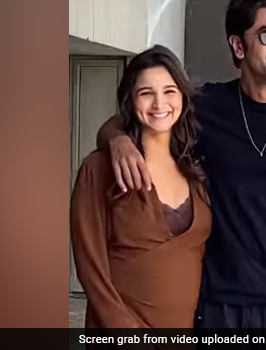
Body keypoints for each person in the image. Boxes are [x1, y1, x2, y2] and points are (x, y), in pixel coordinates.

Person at [96, 0, 266, 329]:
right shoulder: (203, 107)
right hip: (218, 307)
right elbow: (120, 123)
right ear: (237, 45)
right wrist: (119, 142)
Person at [70, 44, 211, 329]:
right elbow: (91, 268)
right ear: (130, 100)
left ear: (182, 96)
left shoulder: (195, 170)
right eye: (146, 93)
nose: (159, 104)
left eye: (169, 91)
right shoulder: (100, 170)